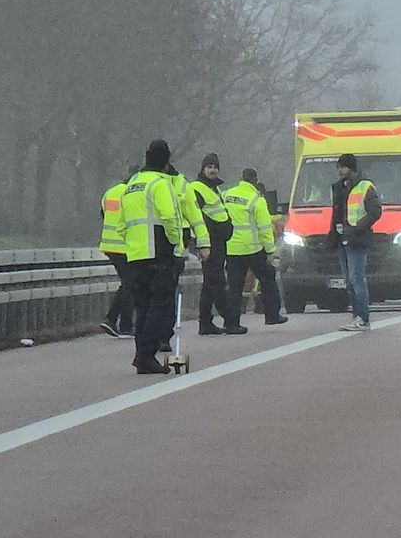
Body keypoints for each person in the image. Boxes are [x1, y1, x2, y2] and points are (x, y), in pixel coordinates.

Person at [120, 140, 187, 374]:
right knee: (160, 305)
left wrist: (134, 243)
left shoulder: (131, 186)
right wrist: (175, 242)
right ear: (166, 163)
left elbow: (120, 225)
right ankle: (146, 355)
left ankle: (142, 355)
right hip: (158, 253)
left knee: (142, 306)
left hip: (135, 255)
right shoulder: (160, 184)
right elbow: (169, 217)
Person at [221, 167, 287, 328]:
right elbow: (264, 228)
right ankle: (272, 315)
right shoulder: (257, 199)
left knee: (234, 286)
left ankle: (231, 323)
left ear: (241, 178)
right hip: (252, 248)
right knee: (267, 278)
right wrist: (270, 250)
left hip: (231, 247)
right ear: (255, 181)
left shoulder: (226, 194)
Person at [190, 153, 243, 335]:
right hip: (209, 243)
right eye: (209, 167)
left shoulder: (213, 188)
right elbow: (197, 217)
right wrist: (202, 242)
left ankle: (206, 322)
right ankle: (230, 321)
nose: (213, 170)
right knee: (217, 283)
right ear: (203, 168)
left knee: (210, 284)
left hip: (218, 243)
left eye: (215, 167)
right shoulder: (197, 188)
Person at [330, 153, 383, 331]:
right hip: (342, 238)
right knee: (349, 280)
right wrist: (333, 234)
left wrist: (358, 228)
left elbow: (375, 212)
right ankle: (356, 316)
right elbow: (337, 212)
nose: (339, 171)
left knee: (356, 278)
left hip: (357, 239)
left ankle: (363, 317)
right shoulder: (339, 187)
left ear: (350, 167)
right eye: (338, 167)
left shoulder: (365, 186)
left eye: (342, 167)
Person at [97, 170, 135, 338]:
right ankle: (120, 323)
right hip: (125, 246)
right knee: (130, 284)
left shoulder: (110, 192)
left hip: (109, 245)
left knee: (127, 283)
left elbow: (103, 214)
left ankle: (115, 321)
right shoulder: (132, 194)